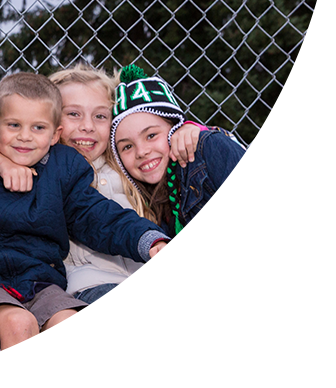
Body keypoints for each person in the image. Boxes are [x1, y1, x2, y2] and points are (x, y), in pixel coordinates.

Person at [0, 63, 232, 388]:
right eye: (74, 114)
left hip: (150, 271)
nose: (87, 127)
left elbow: (109, 212)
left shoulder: (129, 162)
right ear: (58, 125)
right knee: (131, 329)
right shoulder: (40, 166)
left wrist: (152, 240)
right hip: (94, 284)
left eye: (100, 116)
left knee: (187, 302)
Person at [110, 64, 334, 348]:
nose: (141, 151)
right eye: (126, 147)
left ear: (175, 130)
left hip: (324, 281)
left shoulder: (207, 149)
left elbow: (257, 217)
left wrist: (184, 255)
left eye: (151, 135)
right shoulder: (163, 213)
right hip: (303, 320)